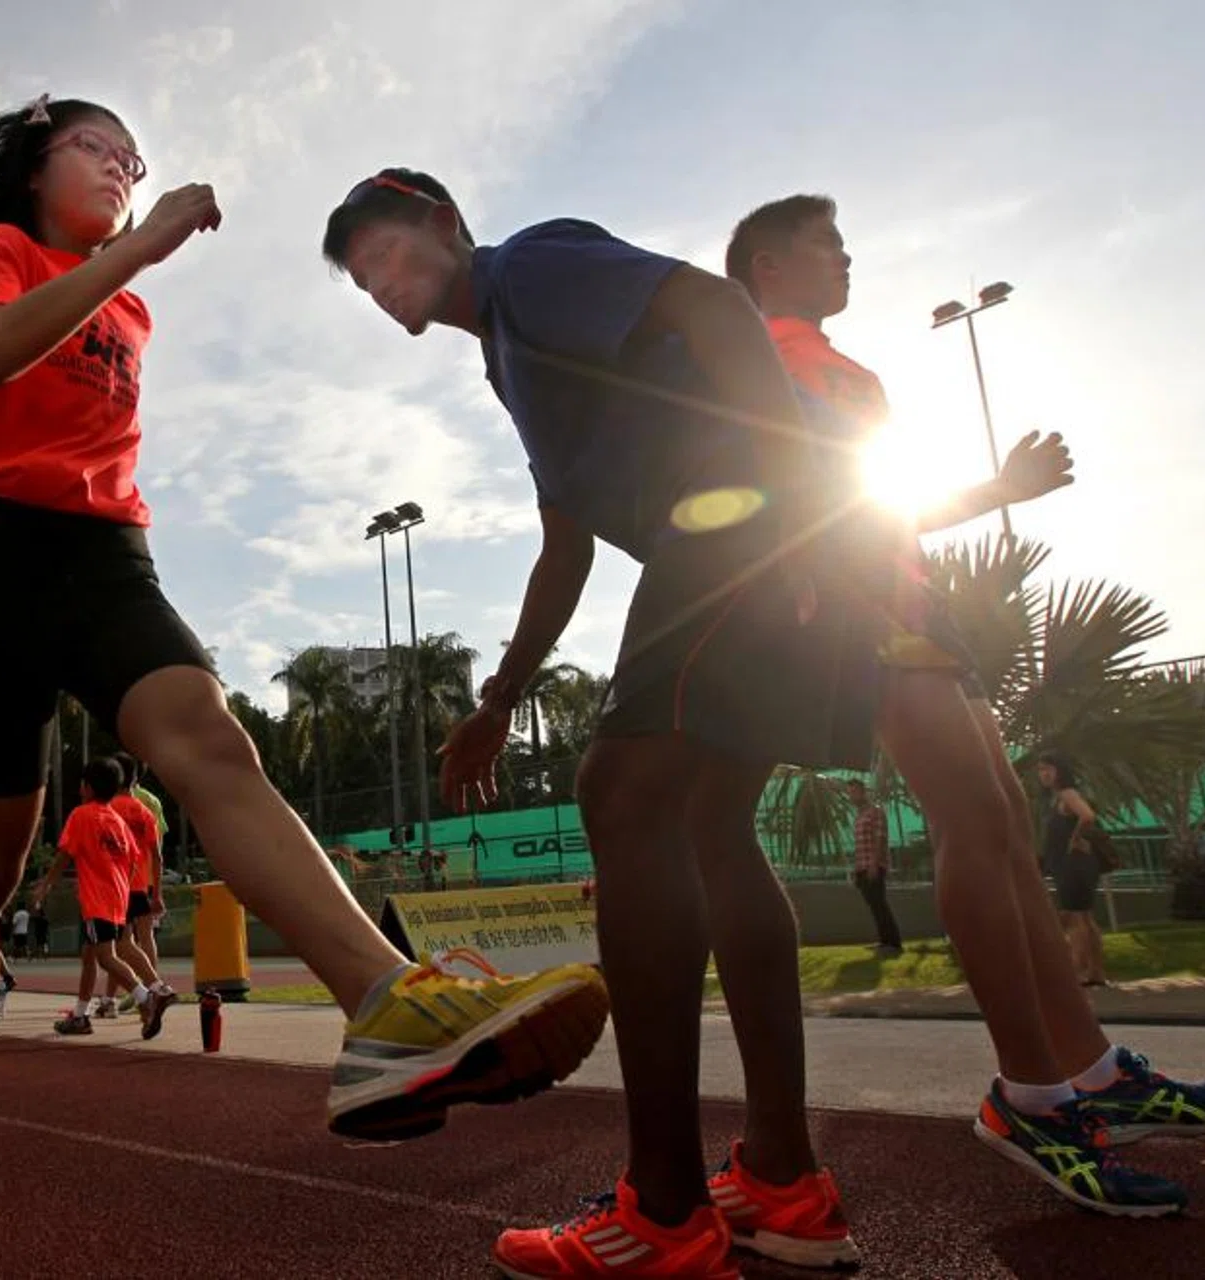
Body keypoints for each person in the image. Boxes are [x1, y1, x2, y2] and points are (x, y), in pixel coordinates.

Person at [0, 99, 609, 1268]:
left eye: (135, 161)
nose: (125, 169)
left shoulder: (128, 304)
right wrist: (138, 244)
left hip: (107, 556)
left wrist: (130, 259)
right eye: (99, 148)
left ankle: (386, 1002)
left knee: (211, 737)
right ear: (36, 166)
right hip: (2, 558)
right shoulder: (3, 256)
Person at [324, 168, 888, 1278]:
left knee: (621, 796)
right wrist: (493, 702)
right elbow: (565, 546)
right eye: (361, 279)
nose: (381, 285)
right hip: (772, 530)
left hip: (748, 520)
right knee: (714, 827)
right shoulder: (511, 358)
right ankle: (783, 1181)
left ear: (445, 224)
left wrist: (799, 512)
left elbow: (716, 309)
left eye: (387, 253)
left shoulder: (533, 266)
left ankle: (667, 1209)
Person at [725, 193, 1205, 1232]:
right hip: (859, 609)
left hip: (909, 599)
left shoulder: (846, 369)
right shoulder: (767, 357)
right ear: (769, 264)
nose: (846, 254)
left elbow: (874, 499)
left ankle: (1091, 1070)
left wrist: (978, 498)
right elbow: (804, 497)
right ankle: (1032, 1095)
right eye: (827, 243)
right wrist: (966, 506)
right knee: (976, 822)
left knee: (1008, 830)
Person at [37, 757, 175, 1037]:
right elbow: (136, 861)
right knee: (91, 955)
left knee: (105, 957)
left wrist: (46, 885)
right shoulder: (119, 821)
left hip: (96, 900)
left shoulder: (82, 815)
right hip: (119, 897)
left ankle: (148, 996)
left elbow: (65, 855)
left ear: (87, 787)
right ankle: (80, 1015)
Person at [1037, 752, 1106, 986]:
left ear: (1060, 771)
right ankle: (1096, 972)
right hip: (1071, 864)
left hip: (1074, 864)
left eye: (1049, 769)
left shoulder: (1067, 794)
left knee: (1077, 919)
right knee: (1085, 918)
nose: (1044, 774)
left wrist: (1075, 839)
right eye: (1041, 769)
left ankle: (1076, 971)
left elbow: (1087, 816)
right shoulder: (1056, 798)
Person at [111, 750, 166, 976]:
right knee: (145, 936)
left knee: (118, 944)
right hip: (144, 880)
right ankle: (153, 984)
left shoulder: (109, 807)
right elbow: (157, 850)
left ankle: (121, 993)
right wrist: (157, 892)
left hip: (119, 882)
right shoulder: (148, 806)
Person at [848, 779, 901, 957]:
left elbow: (880, 839)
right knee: (873, 905)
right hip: (862, 866)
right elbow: (859, 845)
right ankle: (884, 941)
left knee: (880, 903)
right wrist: (857, 870)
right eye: (850, 793)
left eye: (855, 792)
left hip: (874, 865)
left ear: (864, 792)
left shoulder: (875, 812)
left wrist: (873, 864)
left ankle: (893, 943)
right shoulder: (859, 816)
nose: (852, 796)